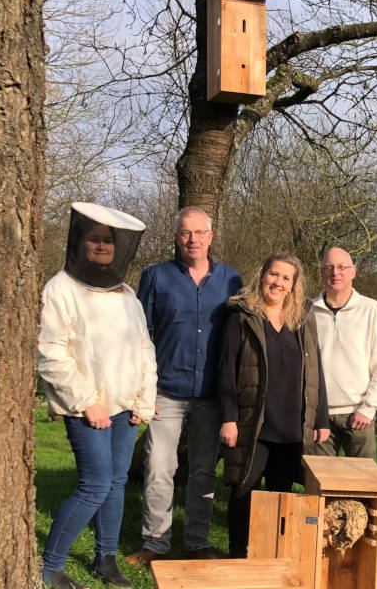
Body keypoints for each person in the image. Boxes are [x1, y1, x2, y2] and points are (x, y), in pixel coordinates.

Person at [38, 202, 157, 589]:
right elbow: (50, 352)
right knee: (95, 484)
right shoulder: (60, 289)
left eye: (109, 240)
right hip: (85, 408)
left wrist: (142, 401)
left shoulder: (127, 295)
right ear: (80, 241)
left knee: (117, 483)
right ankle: (51, 566)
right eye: (95, 238)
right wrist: (87, 401)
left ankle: (105, 560)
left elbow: (144, 350)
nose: (103, 245)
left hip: (125, 409)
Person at [127, 207, 242, 565]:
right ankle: (155, 544)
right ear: (177, 237)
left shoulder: (231, 280)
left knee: (204, 471)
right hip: (166, 391)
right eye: (185, 233)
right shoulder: (156, 276)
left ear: (210, 237)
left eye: (199, 232)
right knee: (160, 468)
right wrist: (140, 391)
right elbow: (138, 334)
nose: (192, 239)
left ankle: (196, 544)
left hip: (211, 393)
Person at [218, 252, 331, 558]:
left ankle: (271, 556)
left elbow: (316, 370)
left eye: (286, 278)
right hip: (254, 422)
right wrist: (228, 418)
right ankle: (238, 556)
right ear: (262, 275)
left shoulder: (303, 318)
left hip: (292, 425)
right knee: (244, 489)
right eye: (274, 275)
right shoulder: (242, 316)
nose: (278, 282)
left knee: (282, 495)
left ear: (294, 285)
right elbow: (227, 369)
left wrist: (321, 418)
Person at [311, 247, 377, 460]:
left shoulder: (371, 310)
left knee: (363, 487)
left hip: (359, 415)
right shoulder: (308, 312)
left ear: (353, 272)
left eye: (341, 267)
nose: (335, 273)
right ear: (321, 273)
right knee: (322, 486)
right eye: (328, 267)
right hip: (320, 418)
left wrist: (369, 408)